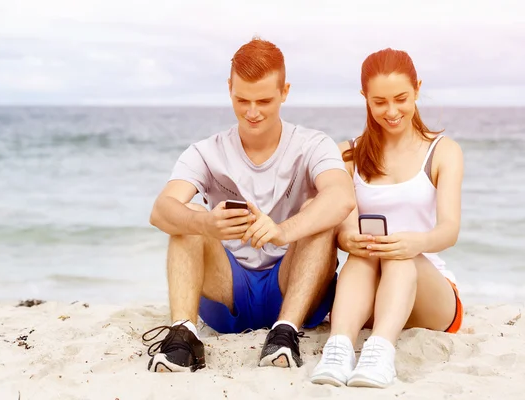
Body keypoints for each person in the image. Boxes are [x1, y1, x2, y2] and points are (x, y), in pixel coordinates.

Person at [143, 37, 355, 373]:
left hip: (294, 286)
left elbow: (342, 197)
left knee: (318, 211)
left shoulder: (313, 144)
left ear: (285, 91)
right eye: (242, 100)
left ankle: (284, 333)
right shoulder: (206, 151)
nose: (252, 112)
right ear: (229, 88)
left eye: (264, 100)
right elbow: (161, 210)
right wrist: (206, 225)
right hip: (227, 294)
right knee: (189, 215)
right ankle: (183, 334)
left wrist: (282, 230)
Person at [310, 48, 465, 388]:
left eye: (401, 98)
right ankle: (339, 350)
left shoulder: (443, 151)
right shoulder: (347, 154)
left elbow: (449, 230)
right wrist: (347, 235)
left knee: (398, 255)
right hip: (370, 288)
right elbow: (342, 220)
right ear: (365, 97)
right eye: (379, 101)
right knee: (363, 254)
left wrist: (416, 242)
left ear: (417, 90)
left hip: (430, 294)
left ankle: (380, 353)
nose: (391, 111)